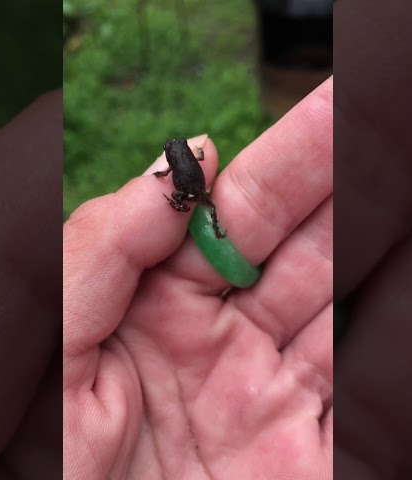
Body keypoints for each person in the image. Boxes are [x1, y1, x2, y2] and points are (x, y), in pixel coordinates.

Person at [63, 78, 334, 478]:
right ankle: (216, 227)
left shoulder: (179, 160)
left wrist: (172, 186)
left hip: (190, 187)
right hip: (195, 186)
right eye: (176, 152)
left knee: (197, 203)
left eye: (175, 151)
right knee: (203, 204)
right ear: (177, 155)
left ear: (173, 155)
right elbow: (193, 157)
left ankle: (213, 226)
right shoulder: (187, 156)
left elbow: (171, 173)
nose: (176, 152)